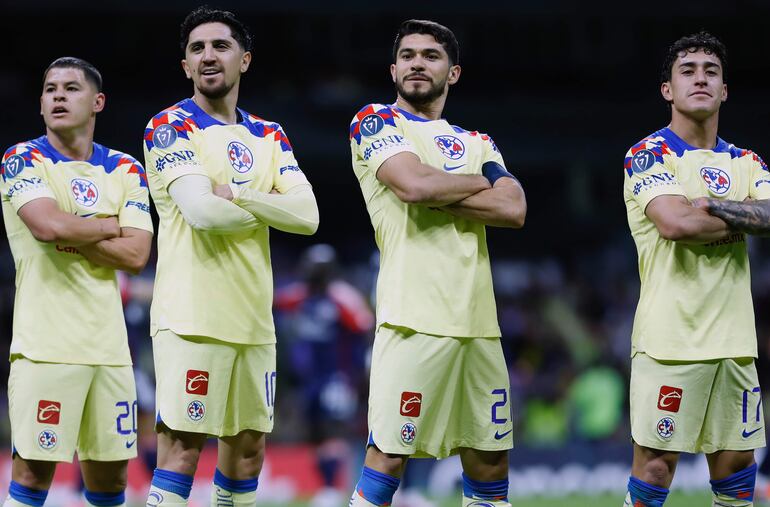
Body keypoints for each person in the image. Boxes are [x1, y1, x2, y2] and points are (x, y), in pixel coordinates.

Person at [142, 6, 318, 507]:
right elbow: (201, 213)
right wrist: (269, 206)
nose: (208, 56)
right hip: (191, 316)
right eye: (196, 49)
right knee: (180, 449)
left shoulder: (269, 134)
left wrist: (237, 196)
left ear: (244, 59)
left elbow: (307, 216)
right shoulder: (170, 127)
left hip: (253, 320)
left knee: (247, 451)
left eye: (220, 46)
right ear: (185, 67)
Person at [347, 19, 526, 507]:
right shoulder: (376, 122)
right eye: (407, 56)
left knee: (489, 460)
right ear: (393, 69)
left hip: (478, 325)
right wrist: (480, 182)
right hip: (413, 319)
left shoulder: (478, 141)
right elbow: (413, 186)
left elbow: (513, 209)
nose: (417, 64)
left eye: (430, 56)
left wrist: (436, 188)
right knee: (387, 456)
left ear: (454, 72)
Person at [622, 31, 769, 507]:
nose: (700, 78)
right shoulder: (648, 155)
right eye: (687, 71)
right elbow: (676, 223)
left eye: (711, 71)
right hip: (670, 342)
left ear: (725, 89)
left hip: (735, 343)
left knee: (737, 472)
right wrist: (741, 213)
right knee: (656, 468)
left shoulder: (747, 160)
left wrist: (709, 204)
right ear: (668, 89)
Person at [0, 57, 154, 507]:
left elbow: (137, 255)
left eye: (70, 88)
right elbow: (46, 227)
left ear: (97, 101)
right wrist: (108, 225)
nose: (58, 97)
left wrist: (73, 228)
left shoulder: (126, 168)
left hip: (109, 352)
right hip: (45, 348)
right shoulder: (22, 158)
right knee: (32, 473)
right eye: (50, 90)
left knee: (110, 481)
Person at [273, 243, 373, 507]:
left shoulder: (343, 297)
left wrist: (361, 369)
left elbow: (365, 327)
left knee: (334, 430)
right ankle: (325, 487)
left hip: (336, 377)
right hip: (307, 379)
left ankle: (333, 488)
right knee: (315, 433)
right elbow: (274, 301)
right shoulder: (299, 294)